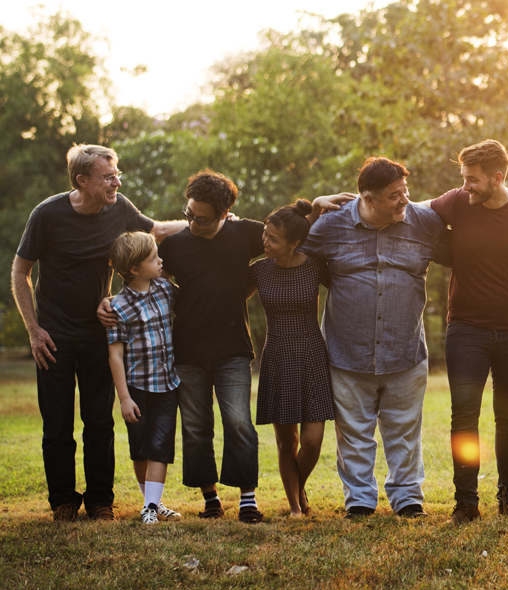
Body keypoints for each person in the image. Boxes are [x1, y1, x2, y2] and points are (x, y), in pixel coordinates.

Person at [100, 170, 347, 523]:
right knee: (197, 428)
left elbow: (285, 232)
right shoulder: (174, 247)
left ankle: (248, 497)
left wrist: (314, 208)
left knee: (238, 422)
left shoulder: (247, 234)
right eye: (188, 214)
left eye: (201, 218)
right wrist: (107, 301)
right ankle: (210, 496)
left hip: (233, 348)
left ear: (223, 214)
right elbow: (141, 276)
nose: (192, 222)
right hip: (186, 351)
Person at [12, 144, 185, 522]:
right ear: (82, 180)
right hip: (53, 338)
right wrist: (33, 329)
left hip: (98, 335)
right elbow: (20, 270)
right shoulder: (47, 214)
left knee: (99, 422)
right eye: (108, 177)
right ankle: (62, 500)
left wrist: (210, 221)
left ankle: (100, 501)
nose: (116, 182)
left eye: (116, 174)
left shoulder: (119, 207)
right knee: (57, 424)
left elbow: (156, 230)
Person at [301, 157, 450, 519]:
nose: (404, 201)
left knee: (404, 431)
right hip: (346, 352)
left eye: (405, 192)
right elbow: (292, 253)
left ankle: (408, 497)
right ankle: (360, 500)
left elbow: (467, 251)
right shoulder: (329, 227)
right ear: (367, 198)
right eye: (394, 196)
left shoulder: (424, 222)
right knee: (353, 434)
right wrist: (309, 211)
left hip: (405, 350)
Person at [425, 140, 508, 524]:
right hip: (467, 330)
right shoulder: (457, 202)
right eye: (463, 179)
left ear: (498, 176)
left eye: (472, 179)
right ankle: (466, 504)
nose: (466, 186)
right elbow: (410, 210)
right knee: (465, 418)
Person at [248, 200, 334, 518]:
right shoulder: (259, 270)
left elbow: (347, 287)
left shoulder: (315, 265)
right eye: (265, 235)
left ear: (294, 243)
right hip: (278, 355)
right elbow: (222, 295)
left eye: (273, 239)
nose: (265, 242)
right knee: (287, 442)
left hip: (311, 352)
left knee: (312, 441)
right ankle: (296, 506)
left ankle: (299, 488)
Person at [106, 231, 183, 524]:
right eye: (154, 258)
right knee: (139, 449)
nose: (160, 260)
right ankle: (151, 501)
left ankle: (150, 506)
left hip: (167, 386)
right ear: (135, 269)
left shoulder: (165, 289)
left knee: (160, 446)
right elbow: (115, 355)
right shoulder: (118, 307)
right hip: (137, 388)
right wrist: (124, 398)